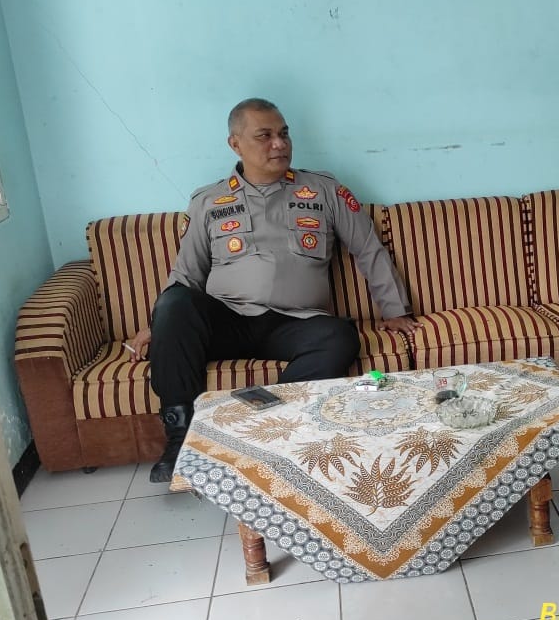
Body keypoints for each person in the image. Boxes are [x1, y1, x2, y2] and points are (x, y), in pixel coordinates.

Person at [128, 98, 417, 483]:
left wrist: (394, 309)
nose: (279, 144)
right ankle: (181, 441)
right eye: (264, 136)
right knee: (175, 303)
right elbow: (186, 273)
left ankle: (263, 423)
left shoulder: (323, 191)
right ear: (235, 144)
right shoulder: (209, 202)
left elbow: (367, 248)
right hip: (228, 321)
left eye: (283, 134)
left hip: (297, 323)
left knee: (340, 336)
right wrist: (161, 326)